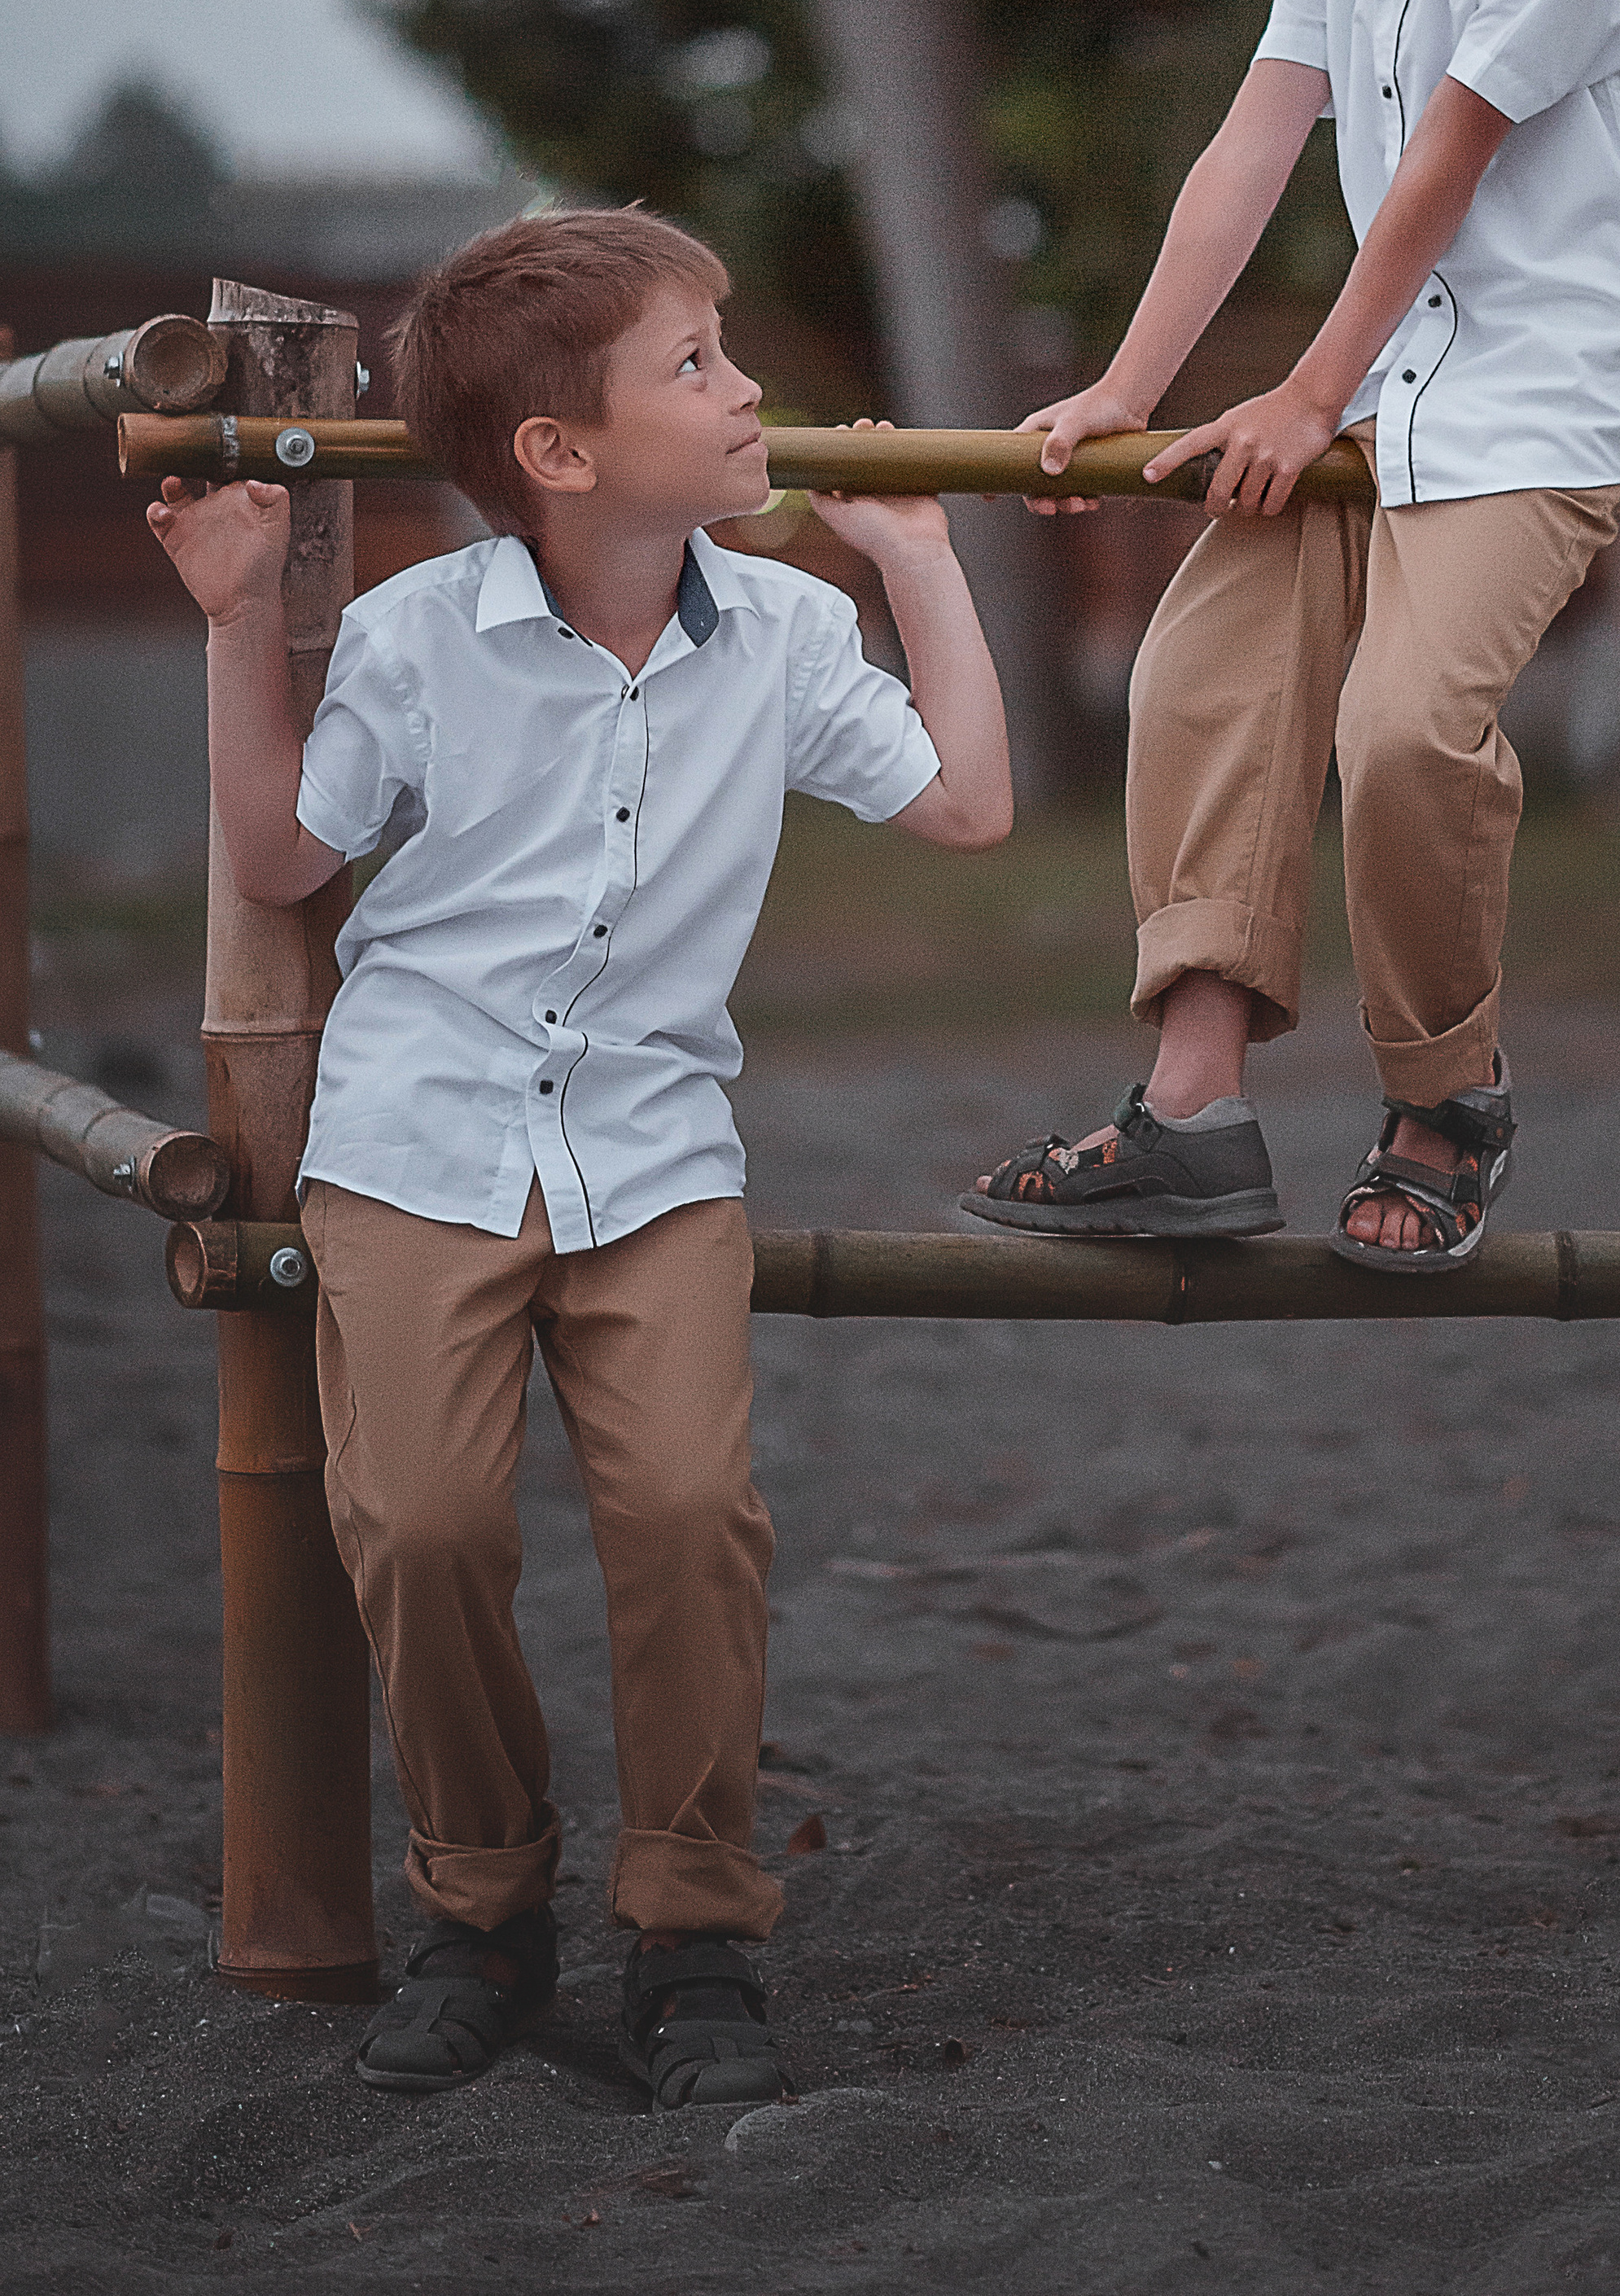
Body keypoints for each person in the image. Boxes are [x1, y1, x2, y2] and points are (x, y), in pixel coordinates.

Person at [148, 208, 1011, 2105]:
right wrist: (235, 621)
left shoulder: (783, 630)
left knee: (693, 1517)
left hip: (652, 1150)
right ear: (558, 452)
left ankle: (694, 1934)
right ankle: (482, 1910)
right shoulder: (419, 635)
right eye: (695, 365)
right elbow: (285, 857)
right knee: (424, 1524)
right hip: (415, 1140)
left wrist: (920, 561)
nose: (749, 390)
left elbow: (964, 805)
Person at [966, 0, 1620, 1268]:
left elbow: (1444, 160)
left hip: (1556, 382)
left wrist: (1307, 395)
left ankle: (1446, 1098)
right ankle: (1191, 1117)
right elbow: (1253, 142)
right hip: (1399, 371)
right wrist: (1126, 386)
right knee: (1198, 672)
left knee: (1403, 735)